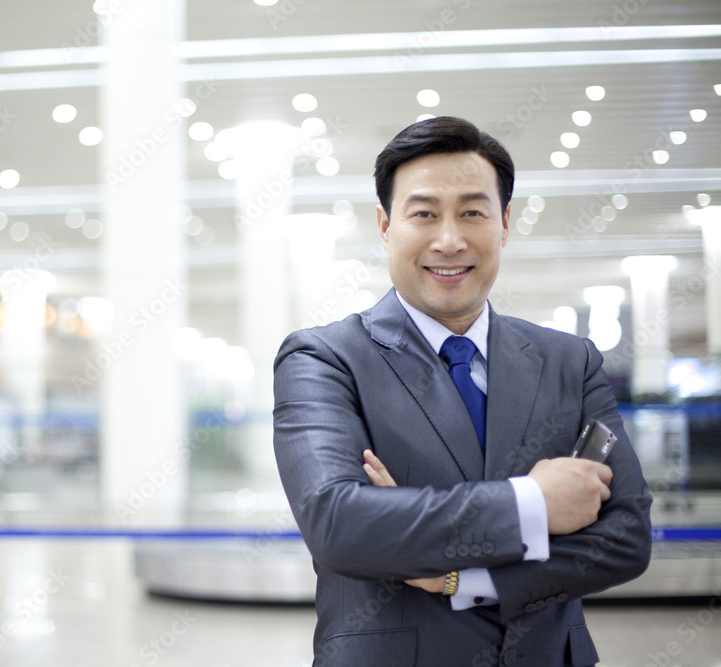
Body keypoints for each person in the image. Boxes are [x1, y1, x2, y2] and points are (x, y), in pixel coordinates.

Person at [272, 116, 652, 667]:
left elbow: (626, 537)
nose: (449, 240)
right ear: (384, 226)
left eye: (472, 212)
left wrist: (459, 576)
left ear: (503, 224)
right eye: (423, 213)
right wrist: (535, 503)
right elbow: (338, 523)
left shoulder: (571, 361)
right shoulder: (325, 359)